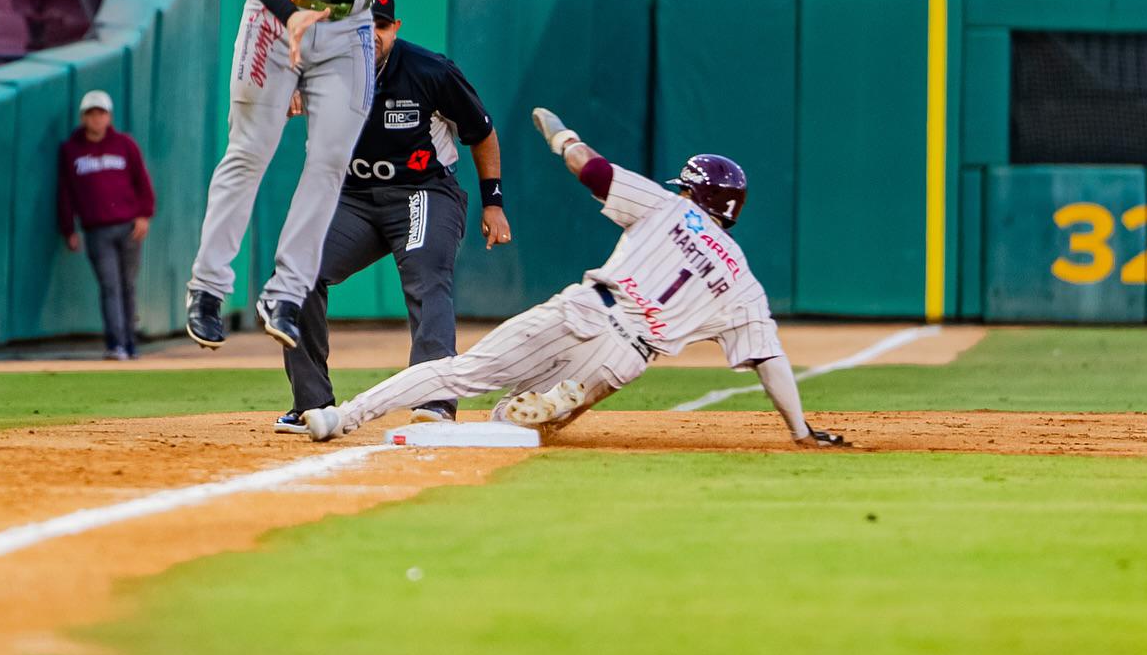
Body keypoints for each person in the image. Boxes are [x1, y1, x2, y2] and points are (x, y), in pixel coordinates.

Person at [302, 107, 848, 446]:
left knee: (458, 374)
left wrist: (562, 137)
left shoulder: (667, 207)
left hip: (585, 309)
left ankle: (341, 418)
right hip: (624, 359)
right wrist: (800, 431)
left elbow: (592, 169)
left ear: (694, 194)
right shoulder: (742, 280)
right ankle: (545, 406)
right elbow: (769, 360)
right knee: (514, 424)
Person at [185, 0, 507, 354]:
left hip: (352, 20)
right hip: (277, 14)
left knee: (330, 158)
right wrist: (290, 20)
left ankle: (287, 292)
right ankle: (208, 288)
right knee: (250, 150)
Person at [276, 0, 513, 432]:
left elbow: (481, 132)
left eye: (381, 26)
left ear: (395, 27)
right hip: (353, 197)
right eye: (363, 27)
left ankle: (434, 398)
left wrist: (493, 202)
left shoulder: (429, 70)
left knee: (426, 274)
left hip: (423, 192)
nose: (373, 35)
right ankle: (311, 403)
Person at [57, 89, 156, 361]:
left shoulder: (125, 145)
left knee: (127, 285)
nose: (96, 119)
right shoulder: (72, 150)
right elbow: (65, 193)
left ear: (109, 116)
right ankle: (116, 344)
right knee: (109, 285)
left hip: (128, 227)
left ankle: (130, 343)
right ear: (83, 117)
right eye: (91, 113)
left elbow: (142, 182)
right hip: (96, 229)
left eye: (101, 113)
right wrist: (68, 229)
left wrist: (144, 214)